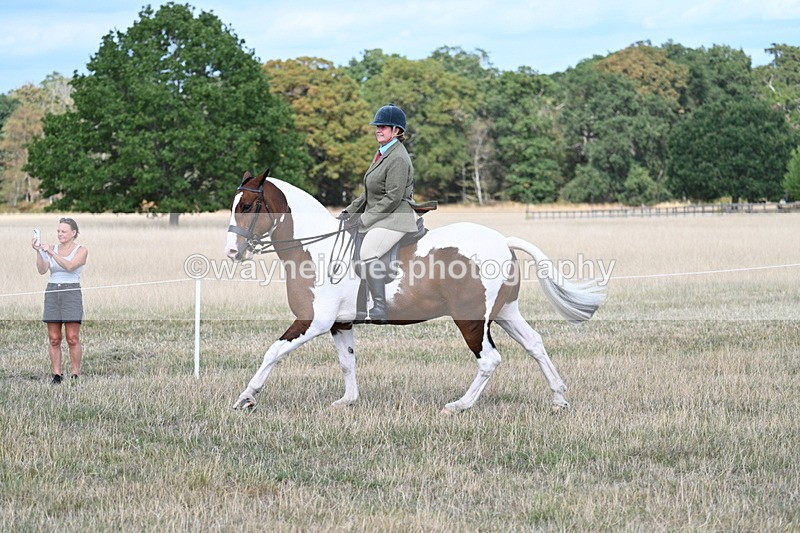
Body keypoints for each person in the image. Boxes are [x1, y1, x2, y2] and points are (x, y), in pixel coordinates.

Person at [340, 104, 431, 324]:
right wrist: (349, 211)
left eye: (383, 127)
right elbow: (369, 193)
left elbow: (392, 197)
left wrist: (364, 219)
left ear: (396, 131)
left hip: (397, 216)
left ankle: (380, 308)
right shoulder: (382, 153)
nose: (378, 130)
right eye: (377, 126)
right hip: (384, 213)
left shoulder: (398, 157)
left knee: (368, 251)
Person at [32, 217, 88, 384]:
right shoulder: (52, 248)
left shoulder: (81, 250)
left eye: (63, 231)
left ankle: (75, 374)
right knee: (54, 338)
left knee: (72, 337)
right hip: (52, 291)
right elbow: (42, 270)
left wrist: (51, 253)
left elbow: (70, 266)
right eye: (58, 231)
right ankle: (57, 374)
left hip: (71, 292)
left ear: (73, 233)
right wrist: (39, 252)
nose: (60, 234)